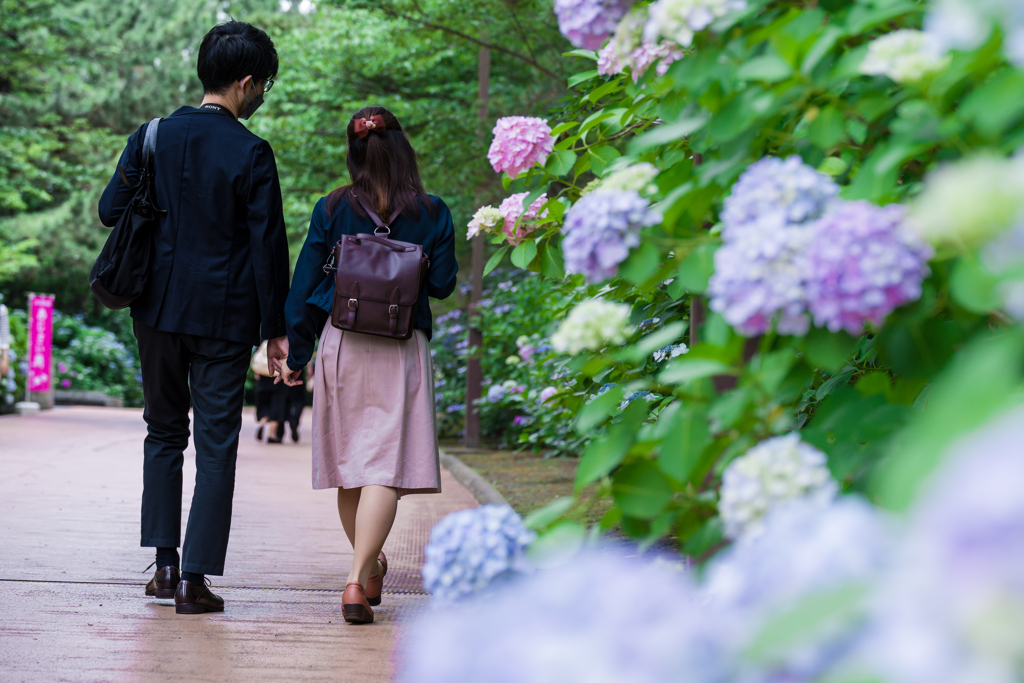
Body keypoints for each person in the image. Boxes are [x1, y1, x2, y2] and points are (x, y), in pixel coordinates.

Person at [97, 21, 290, 615]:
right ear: (247, 82)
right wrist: (275, 332)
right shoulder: (252, 152)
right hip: (224, 318)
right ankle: (195, 581)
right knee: (215, 445)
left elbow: (110, 210)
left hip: (154, 311)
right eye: (266, 86)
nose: (263, 96)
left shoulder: (151, 135)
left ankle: (162, 566)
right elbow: (268, 249)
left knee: (162, 432)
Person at [278, 105, 457, 624]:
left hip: (345, 342)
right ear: (404, 149)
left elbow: (305, 284)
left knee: (353, 470)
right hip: (402, 346)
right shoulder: (434, 210)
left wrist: (298, 351)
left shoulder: (331, 207)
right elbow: (442, 284)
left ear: (353, 153)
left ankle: (363, 570)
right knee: (384, 465)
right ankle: (361, 575)